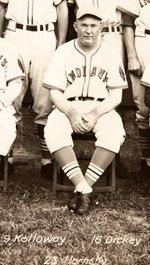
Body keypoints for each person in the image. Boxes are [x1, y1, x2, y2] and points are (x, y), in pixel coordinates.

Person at [43, 7, 128, 215]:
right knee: (53, 127)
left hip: (101, 107)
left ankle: (82, 188)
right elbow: (54, 91)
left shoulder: (110, 53)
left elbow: (116, 96)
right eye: (83, 25)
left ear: (101, 27)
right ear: (75, 26)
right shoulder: (63, 51)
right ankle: (83, 188)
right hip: (68, 105)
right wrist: (71, 113)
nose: (88, 30)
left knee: (114, 129)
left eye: (93, 25)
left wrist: (95, 113)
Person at [0, 0, 68, 180]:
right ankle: (7, 157)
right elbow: (1, 7)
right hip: (15, 33)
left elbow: (62, 8)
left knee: (45, 98)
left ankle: (46, 160)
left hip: (44, 35)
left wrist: (61, 42)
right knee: (11, 97)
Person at [122, 0, 150, 187]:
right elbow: (127, 22)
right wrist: (131, 55)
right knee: (143, 106)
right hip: (144, 41)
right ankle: (146, 161)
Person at [0, 38, 24, 179]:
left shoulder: (6, 46)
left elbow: (16, 83)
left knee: (5, 124)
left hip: (1, 98)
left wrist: (2, 102)